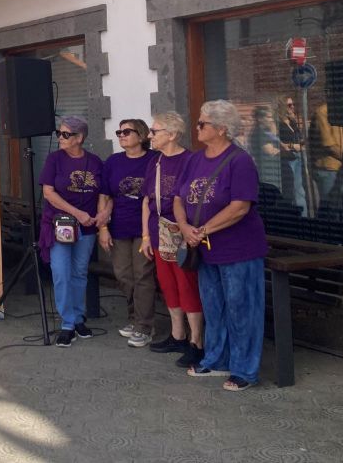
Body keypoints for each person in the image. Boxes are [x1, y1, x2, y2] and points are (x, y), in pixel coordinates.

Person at [175, 99, 267, 392]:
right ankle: (217, 359)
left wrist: (202, 230)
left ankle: (245, 370)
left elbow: (240, 207)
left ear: (222, 129)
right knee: (214, 308)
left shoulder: (240, 161)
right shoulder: (195, 159)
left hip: (238, 248)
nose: (197, 127)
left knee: (242, 309)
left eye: (202, 123)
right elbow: (178, 197)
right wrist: (185, 227)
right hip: (205, 249)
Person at [37, 116, 108, 348]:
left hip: (87, 227)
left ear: (80, 138)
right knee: (60, 271)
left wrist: (102, 215)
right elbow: (48, 193)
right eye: (59, 133)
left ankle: (78, 318)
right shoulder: (54, 159)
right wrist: (77, 213)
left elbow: (104, 193)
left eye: (66, 134)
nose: (60, 137)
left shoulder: (95, 162)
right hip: (62, 225)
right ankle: (67, 322)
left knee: (79, 272)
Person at [140, 112, 203, 366]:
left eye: (154, 131)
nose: (150, 136)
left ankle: (196, 341)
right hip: (158, 231)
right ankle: (177, 334)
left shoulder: (191, 160)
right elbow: (147, 200)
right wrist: (145, 235)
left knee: (187, 284)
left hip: (182, 232)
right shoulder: (154, 162)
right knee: (168, 285)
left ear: (172, 134)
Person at [99, 119, 156, 348]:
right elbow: (104, 196)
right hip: (119, 227)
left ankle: (145, 326)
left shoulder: (153, 160)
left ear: (141, 136)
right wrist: (102, 228)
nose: (121, 135)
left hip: (145, 228)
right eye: (119, 132)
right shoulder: (113, 162)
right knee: (123, 274)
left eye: (127, 131)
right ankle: (134, 318)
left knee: (143, 274)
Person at [309, 102, 343, 215]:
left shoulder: (341, 111)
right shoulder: (323, 112)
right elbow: (328, 145)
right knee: (330, 208)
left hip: (339, 166)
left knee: (338, 206)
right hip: (328, 168)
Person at [276, 96, 307, 216]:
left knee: (299, 189)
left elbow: (299, 137)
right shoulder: (278, 123)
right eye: (289, 105)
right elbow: (277, 142)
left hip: (297, 157)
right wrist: (293, 146)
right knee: (292, 189)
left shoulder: (292, 120)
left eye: (293, 104)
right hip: (288, 158)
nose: (292, 107)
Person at [248, 106, 281, 191]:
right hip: (267, 172)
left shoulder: (266, 132)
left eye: (272, 117)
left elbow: (278, 144)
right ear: (260, 119)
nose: (271, 120)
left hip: (272, 170)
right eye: (269, 117)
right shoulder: (258, 132)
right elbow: (271, 152)